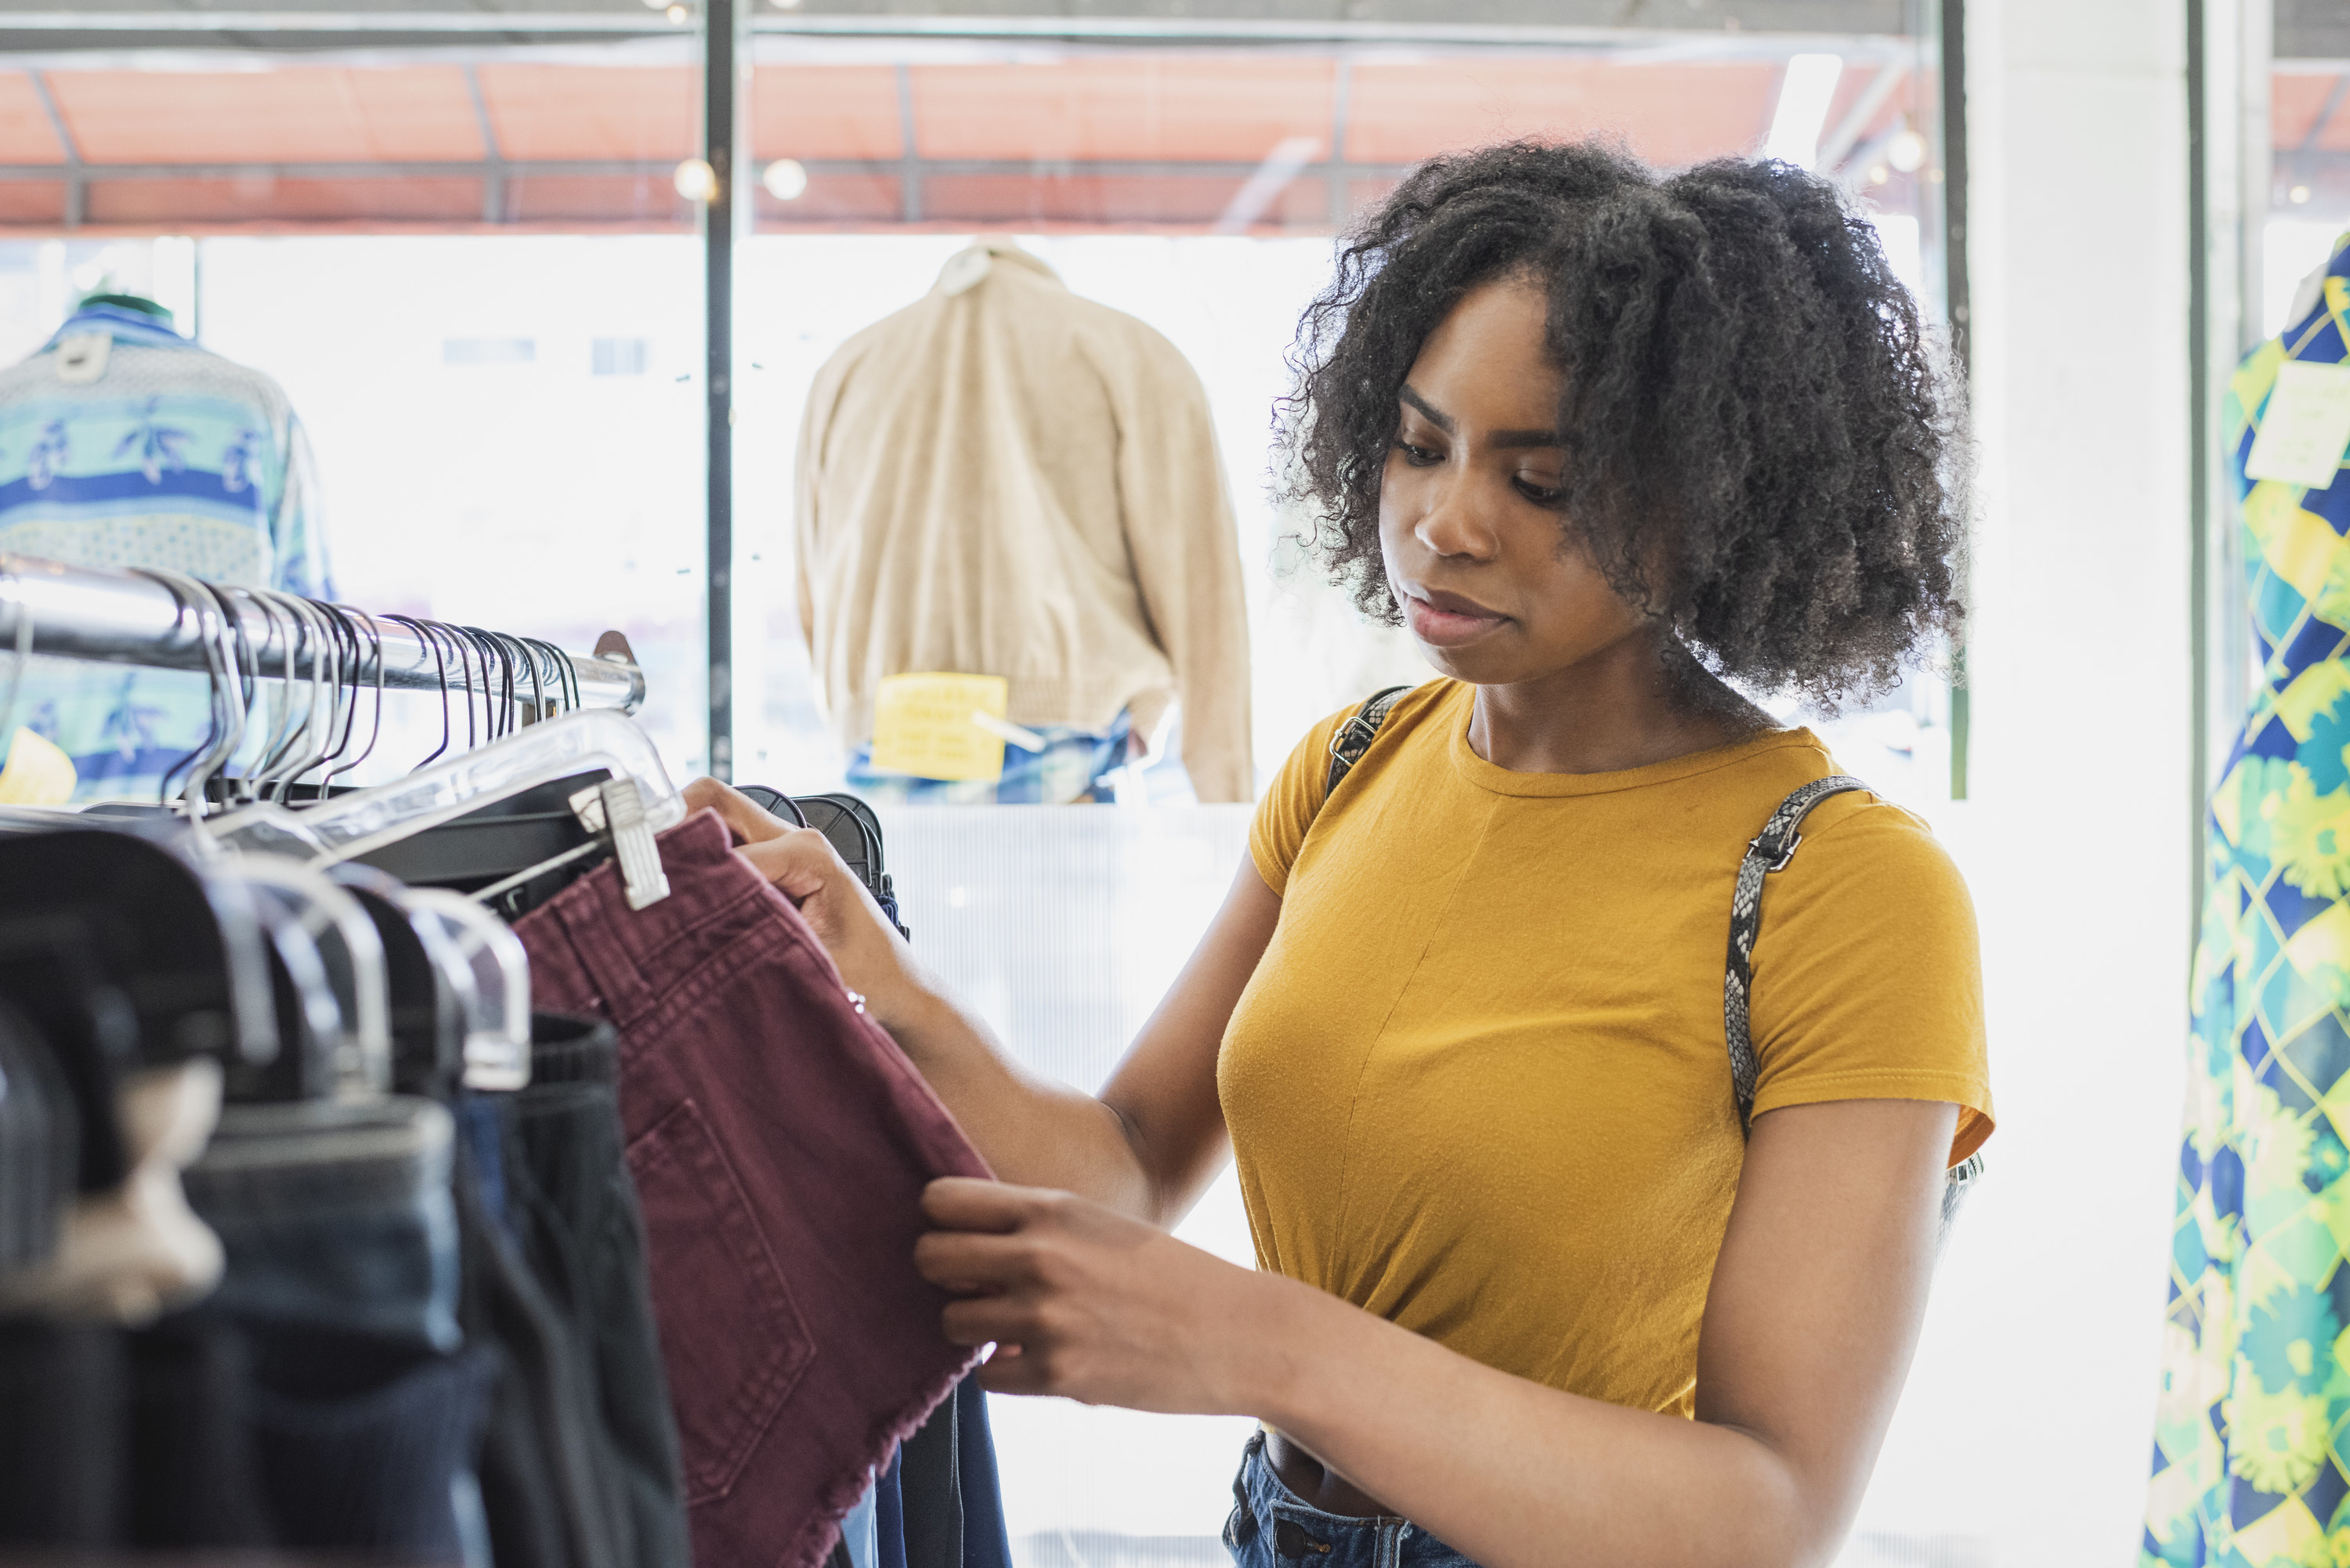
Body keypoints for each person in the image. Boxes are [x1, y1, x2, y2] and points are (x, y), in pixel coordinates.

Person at [694, 140, 1991, 1568]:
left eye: (1542, 478)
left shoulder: (1845, 890)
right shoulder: (1351, 766)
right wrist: (886, 981)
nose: (1443, 524)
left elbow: (1770, 1513)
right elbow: (1126, 1164)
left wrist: (1264, 1344)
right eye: (1420, 444)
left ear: (1713, 496)